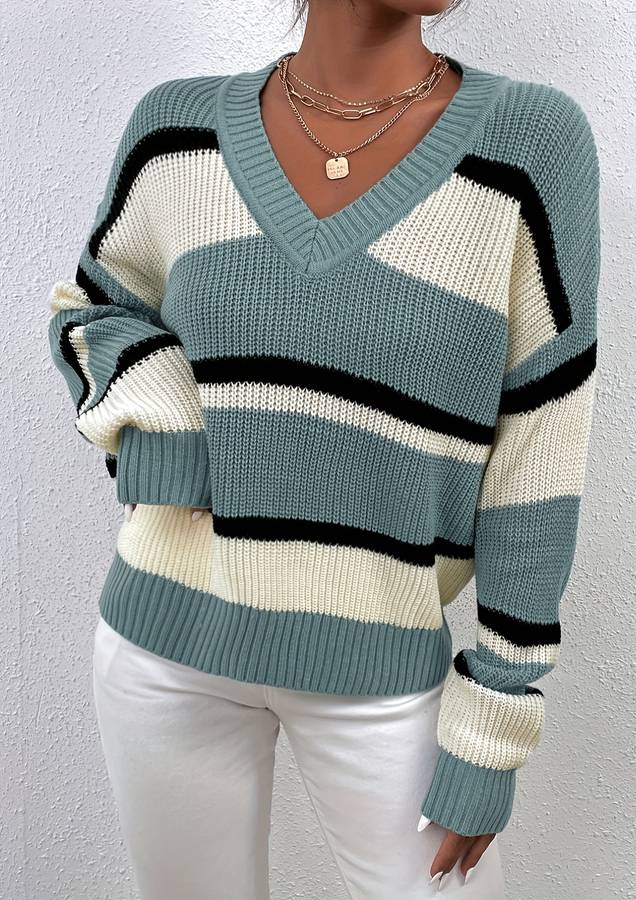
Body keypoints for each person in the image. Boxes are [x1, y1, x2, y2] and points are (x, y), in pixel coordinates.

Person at [46, 0, 601, 897]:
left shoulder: (530, 145)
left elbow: (540, 442)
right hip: (165, 650)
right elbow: (93, 310)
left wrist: (493, 723)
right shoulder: (174, 129)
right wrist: (166, 428)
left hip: (383, 670)